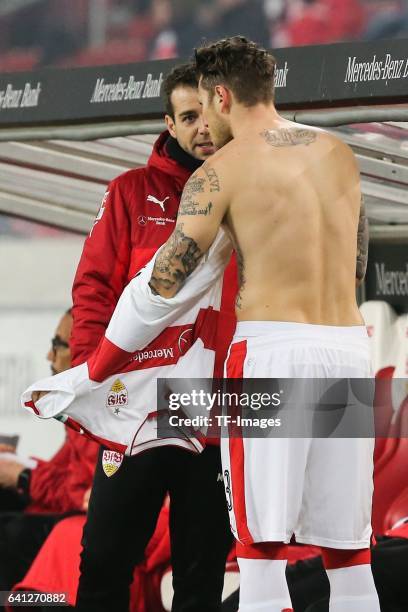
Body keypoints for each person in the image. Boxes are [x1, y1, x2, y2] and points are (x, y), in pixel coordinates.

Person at [143, 37, 380, 612]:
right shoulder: (339, 153)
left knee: (259, 545)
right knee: (349, 551)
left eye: (206, 106)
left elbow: (167, 282)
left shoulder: (220, 172)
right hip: (347, 348)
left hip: (271, 354)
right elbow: (356, 265)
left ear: (221, 95)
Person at [71, 63, 235, 612]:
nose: (202, 128)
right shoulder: (129, 192)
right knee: (104, 563)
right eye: (188, 116)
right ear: (169, 122)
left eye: (208, 113)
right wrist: (90, 382)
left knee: (200, 575)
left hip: (215, 414)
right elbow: (93, 290)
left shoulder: (254, 194)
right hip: (136, 409)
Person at [0, 310, 98, 605]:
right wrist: (19, 467)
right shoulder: (78, 405)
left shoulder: (99, 407)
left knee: (10, 531)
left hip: (94, 524)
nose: (49, 355)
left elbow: (82, 492)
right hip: (80, 515)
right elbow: (64, 473)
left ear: (85, 350)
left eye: (58, 345)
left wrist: (25, 476)